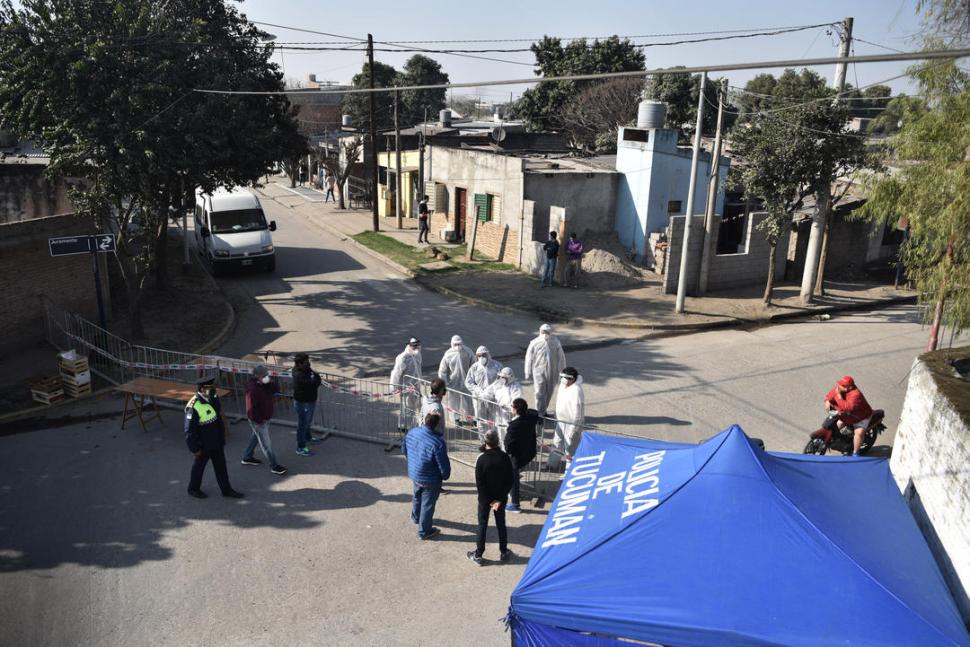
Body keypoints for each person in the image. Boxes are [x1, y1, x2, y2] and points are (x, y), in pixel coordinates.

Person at [184, 374, 243, 499]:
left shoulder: (212, 397)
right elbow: (190, 431)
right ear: (201, 389)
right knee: (199, 469)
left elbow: (218, 418)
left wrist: (222, 437)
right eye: (209, 388)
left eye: (213, 388)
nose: (212, 390)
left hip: (216, 442)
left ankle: (226, 490)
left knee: (221, 467)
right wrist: (195, 449)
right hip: (203, 445)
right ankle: (193, 489)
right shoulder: (193, 406)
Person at [467, 431, 514, 565]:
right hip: (500, 498)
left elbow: (480, 484)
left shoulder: (481, 459)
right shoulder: (504, 457)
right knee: (501, 524)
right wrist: (498, 499)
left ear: (485, 441)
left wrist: (489, 500)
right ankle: (504, 551)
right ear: (497, 441)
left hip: (484, 499)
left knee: (482, 525)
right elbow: (510, 480)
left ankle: (478, 553)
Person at [402, 412, 451, 540]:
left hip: (415, 474)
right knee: (427, 505)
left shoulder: (412, 432)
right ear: (437, 424)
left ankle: (416, 517)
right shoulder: (438, 443)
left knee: (417, 496)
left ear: (425, 420)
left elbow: (404, 449)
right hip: (431, 479)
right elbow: (443, 465)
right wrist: (445, 476)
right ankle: (424, 531)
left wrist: (412, 462)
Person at [241, 366, 287, 475]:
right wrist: (259, 421)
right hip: (259, 420)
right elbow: (250, 409)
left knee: (256, 437)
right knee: (266, 443)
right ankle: (274, 466)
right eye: (265, 375)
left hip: (264, 418)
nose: (267, 376)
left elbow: (276, 389)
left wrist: (270, 382)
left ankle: (247, 457)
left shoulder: (264, 384)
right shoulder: (253, 389)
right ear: (259, 376)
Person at [503, 398, 539, 513]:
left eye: (512, 406)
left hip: (517, 457)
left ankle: (515, 504)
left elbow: (508, 446)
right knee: (515, 476)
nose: (511, 408)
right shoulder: (531, 418)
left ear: (516, 409)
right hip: (528, 453)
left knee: (513, 479)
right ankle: (514, 496)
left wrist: (509, 452)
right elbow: (534, 411)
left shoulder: (514, 426)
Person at [824, 375, 874, 456]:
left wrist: (838, 396)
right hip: (847, 415)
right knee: (837, 425)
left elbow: (846, 408)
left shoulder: (856, 395)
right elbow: (830, 395)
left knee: (859, 433)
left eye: (842, 386)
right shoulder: (840, 388)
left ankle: (855, 453)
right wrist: (827, 401)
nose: (839, 386)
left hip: (860, 417)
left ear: (849, 387)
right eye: (840, 384)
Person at [524, 323, 566, 417]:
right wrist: (528, 372)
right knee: (539, 392)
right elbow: (528, 357)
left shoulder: (555, 342)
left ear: (550, 332)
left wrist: (562, 370)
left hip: (553, 371)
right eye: (543, 332)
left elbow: (561, 357)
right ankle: (539, 413)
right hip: (539, 371)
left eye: (547, 332)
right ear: (540, 331)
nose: (545, 334)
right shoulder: (534, 342)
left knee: (549, 391)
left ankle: (543, 410)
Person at [548, 367, 585, 471]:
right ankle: (552, 465)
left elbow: (578, 412)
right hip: (560, 421)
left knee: (570, 447)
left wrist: (574, 428)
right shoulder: (562, 386)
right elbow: (559, 401)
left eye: (564, 377)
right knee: (557, 442)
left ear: (571, 379)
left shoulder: (577, 391)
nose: (562, 379)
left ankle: (569, 470)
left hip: (572, 423)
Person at [438, 335, 474, 425]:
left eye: (459, 344)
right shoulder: (448, 354)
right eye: (455, 344)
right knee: (454, 402)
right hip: (453, 382)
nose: (458, 346)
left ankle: (471, 419)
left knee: (469, 402)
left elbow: (474, 366)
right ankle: (456, 419)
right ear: (451, 344)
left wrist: (473, 380)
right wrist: (445, 383)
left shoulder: (468, 352)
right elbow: (442, 371)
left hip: (467, 382)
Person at [292, 353, 323, 457]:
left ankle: (308, 438)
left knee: (308, 421)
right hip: (303, 403)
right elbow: (314, 383)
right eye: (306, 361)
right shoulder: (299, 375)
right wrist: (317, 377)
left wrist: (314, 375)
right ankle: (300, 447)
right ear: (300, 363)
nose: (308, 362)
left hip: (309, 401)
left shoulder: (305, 369)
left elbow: (312, 376)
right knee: (303, 424)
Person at [465, 345, 501, 432]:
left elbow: (501, 380)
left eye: (483, 355)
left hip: (493, 398)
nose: (482, 357)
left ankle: (493, 440)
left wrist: (491, 390)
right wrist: (477, 390)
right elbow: (468, 382)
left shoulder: (497, 366)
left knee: (494, 419)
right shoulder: (474, 367)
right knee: (480, 420)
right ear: (476, 356)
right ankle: (483, 441)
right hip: (479, 399)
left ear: (488, 354)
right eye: (479, 355)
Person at [390, 337, 423, 432]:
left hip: (416, 386)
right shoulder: (403, 357)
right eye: (414, 346)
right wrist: (394, 387)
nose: (416, 348)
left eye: (417, 345)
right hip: (406, 387)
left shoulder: (417, 355)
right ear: (409, 346)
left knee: (413, 407)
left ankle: (406, 426)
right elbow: (396, 373)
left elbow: (418, 370)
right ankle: (406, 427)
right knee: (407, 407)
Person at [485, 366, 523, 433]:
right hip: (498, 413)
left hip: (509, 414)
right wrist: (480, 396)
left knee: (508, 431)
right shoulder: (498, 384)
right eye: (501, 377)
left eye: (504, 377)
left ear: (510, 377)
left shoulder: (515, 387)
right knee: (499, 431)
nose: (502, 379)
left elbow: (516, 400)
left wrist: (507, 406)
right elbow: (488, 391)